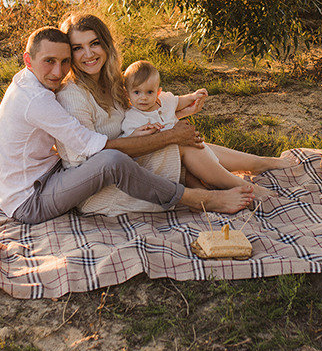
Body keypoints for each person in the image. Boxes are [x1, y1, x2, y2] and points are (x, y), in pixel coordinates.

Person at [0, 25, 255, 223]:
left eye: (64, 61)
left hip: (45, 174)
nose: (58, 72)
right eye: (49, 61)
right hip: (29, 200)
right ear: (28, 60)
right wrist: (170, 136)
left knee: (162, 148)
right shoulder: (37, 99)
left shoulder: (30, 80)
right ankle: (197, 198)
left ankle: (248, 169)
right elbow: (92, 147)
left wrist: (176, 110)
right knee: (111, 161)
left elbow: (135, 111)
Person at [57, 13, 285, 211]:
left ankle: (260, 163)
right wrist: (162, 136)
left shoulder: (112, 83)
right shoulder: (72, 96)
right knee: (178, 143)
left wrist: (179, 114)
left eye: (94, 43)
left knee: (186, 140)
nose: (88, 54)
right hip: (102, 188)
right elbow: (89, 160)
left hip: (128, 164)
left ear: (106, 45)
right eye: (78, 48)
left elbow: (137, 121)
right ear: (69, 53)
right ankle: (245, 188)